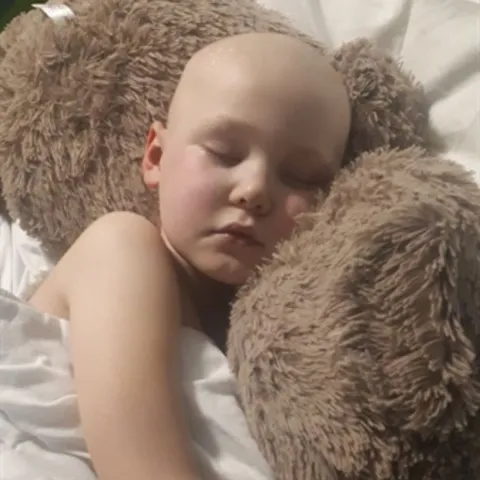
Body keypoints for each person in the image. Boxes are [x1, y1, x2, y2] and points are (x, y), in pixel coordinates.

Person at [28, 32, 351, 480]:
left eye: (301, 177)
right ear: (156, 156)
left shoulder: (263, 343)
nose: (255, 189)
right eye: (224, 152)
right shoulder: (122, 248)